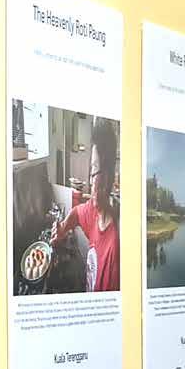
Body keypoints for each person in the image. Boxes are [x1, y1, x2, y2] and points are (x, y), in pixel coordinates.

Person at [51, 117, 120, 292]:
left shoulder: (113, 251)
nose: (92, 181)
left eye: (96, 170)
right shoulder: (95, 211)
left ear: (110, 177)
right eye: (91, 172)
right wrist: (63, 228)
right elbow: (77, 212)